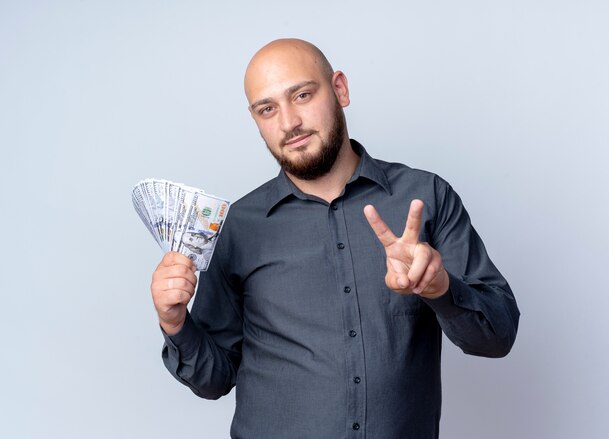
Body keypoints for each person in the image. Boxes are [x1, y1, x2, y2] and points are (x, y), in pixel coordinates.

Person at [150, 38, 520, 439]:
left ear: (340, 89)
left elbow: (497, 338)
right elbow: (213, 380)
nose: (289, 122)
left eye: (303, 95)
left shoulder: (426, 197)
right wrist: (174, 322)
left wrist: (440, 288)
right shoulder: (238, 227)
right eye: (268, 109)